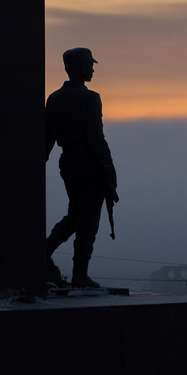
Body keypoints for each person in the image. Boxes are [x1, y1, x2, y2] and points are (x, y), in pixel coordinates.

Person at [44, 47, 118, 290]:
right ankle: (80, 274)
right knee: (88, 221)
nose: (92, 69)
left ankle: (43, 252)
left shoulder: (54, 98)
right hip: (88, 165)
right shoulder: (90, 98)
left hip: (68, 163)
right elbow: (96, 138)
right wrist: (107, 168)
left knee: (75, 216)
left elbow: (47, 138)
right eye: (89, 65)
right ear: (79, 67)